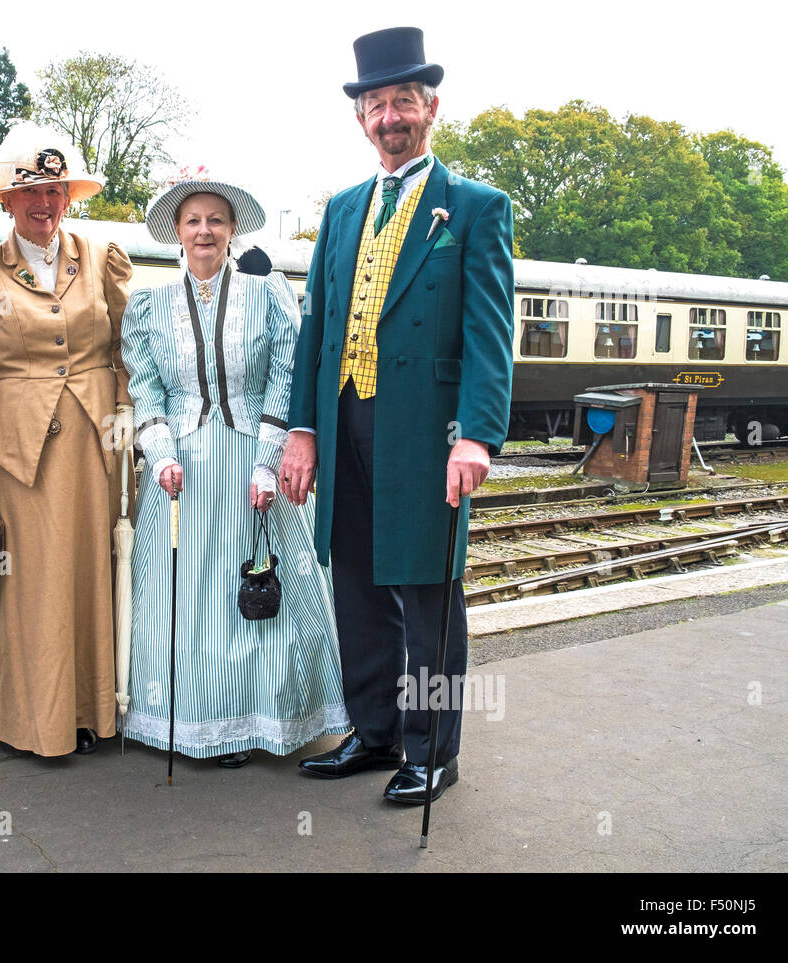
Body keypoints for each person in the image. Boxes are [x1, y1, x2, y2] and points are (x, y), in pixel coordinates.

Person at [280, 27, 514, 803]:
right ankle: (375, 731)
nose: (389, 117)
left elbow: (489, 332)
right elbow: (317, 328)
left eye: (403, 102)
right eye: (376, 104)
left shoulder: (475, 208)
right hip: (344, 420)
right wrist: (302, 428)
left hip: (427, 432)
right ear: (360, 119)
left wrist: (476, 434)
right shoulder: (343, 209)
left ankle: (432, 751)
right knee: (357, 587)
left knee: (426, 593)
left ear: (431, 108)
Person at [120, 177, 348, 767]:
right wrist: (161, 452)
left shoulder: (267, 295)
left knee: (259, 585)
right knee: (188, 594)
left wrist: (270, 462)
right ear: (177, 230)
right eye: (193, 220)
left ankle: (261, 719)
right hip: (185, 469)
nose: (205, 231)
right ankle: (197, 719)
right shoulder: (147, 306)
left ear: (231, 231)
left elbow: (284, 375)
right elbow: (146, 388)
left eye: (216, 220)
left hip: (253, 458)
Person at [0, 125, 134, 758]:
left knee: (95, 567)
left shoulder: (101, 256)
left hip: (96, 437)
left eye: (55, 191)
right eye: (29, 193)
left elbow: (123, 348)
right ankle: (33, 721)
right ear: (5, 200)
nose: (44, 204)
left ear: (69, 196)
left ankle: (94, 711)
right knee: (32, 578)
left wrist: (132, 420)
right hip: (18, 450)